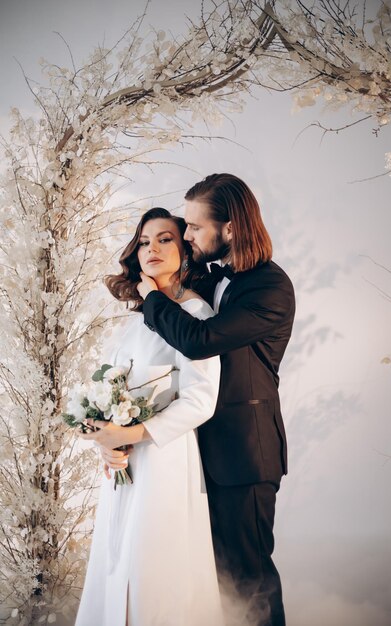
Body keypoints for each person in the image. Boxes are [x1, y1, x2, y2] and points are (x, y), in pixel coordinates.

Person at [137, 174, 295, 626]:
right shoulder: (208, 278)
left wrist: (152, 298)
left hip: (244, 455)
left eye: (193, 227)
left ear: (229, 228)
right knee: (211, 579)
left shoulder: (270, 288)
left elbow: (199, 339)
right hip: (194, 450)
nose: (186, 237)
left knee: (248, 577)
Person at [74, 208, 224, 626]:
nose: (152, 248)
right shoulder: (137, 319)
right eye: (143, 241)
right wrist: (108, 443)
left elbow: (200, 400)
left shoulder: (195, 315)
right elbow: (105, 392)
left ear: (185, 251)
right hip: (123, 470)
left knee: (155, 572)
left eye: (165, 239)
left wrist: (133, 432)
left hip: (165, 464)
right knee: (115, 561)